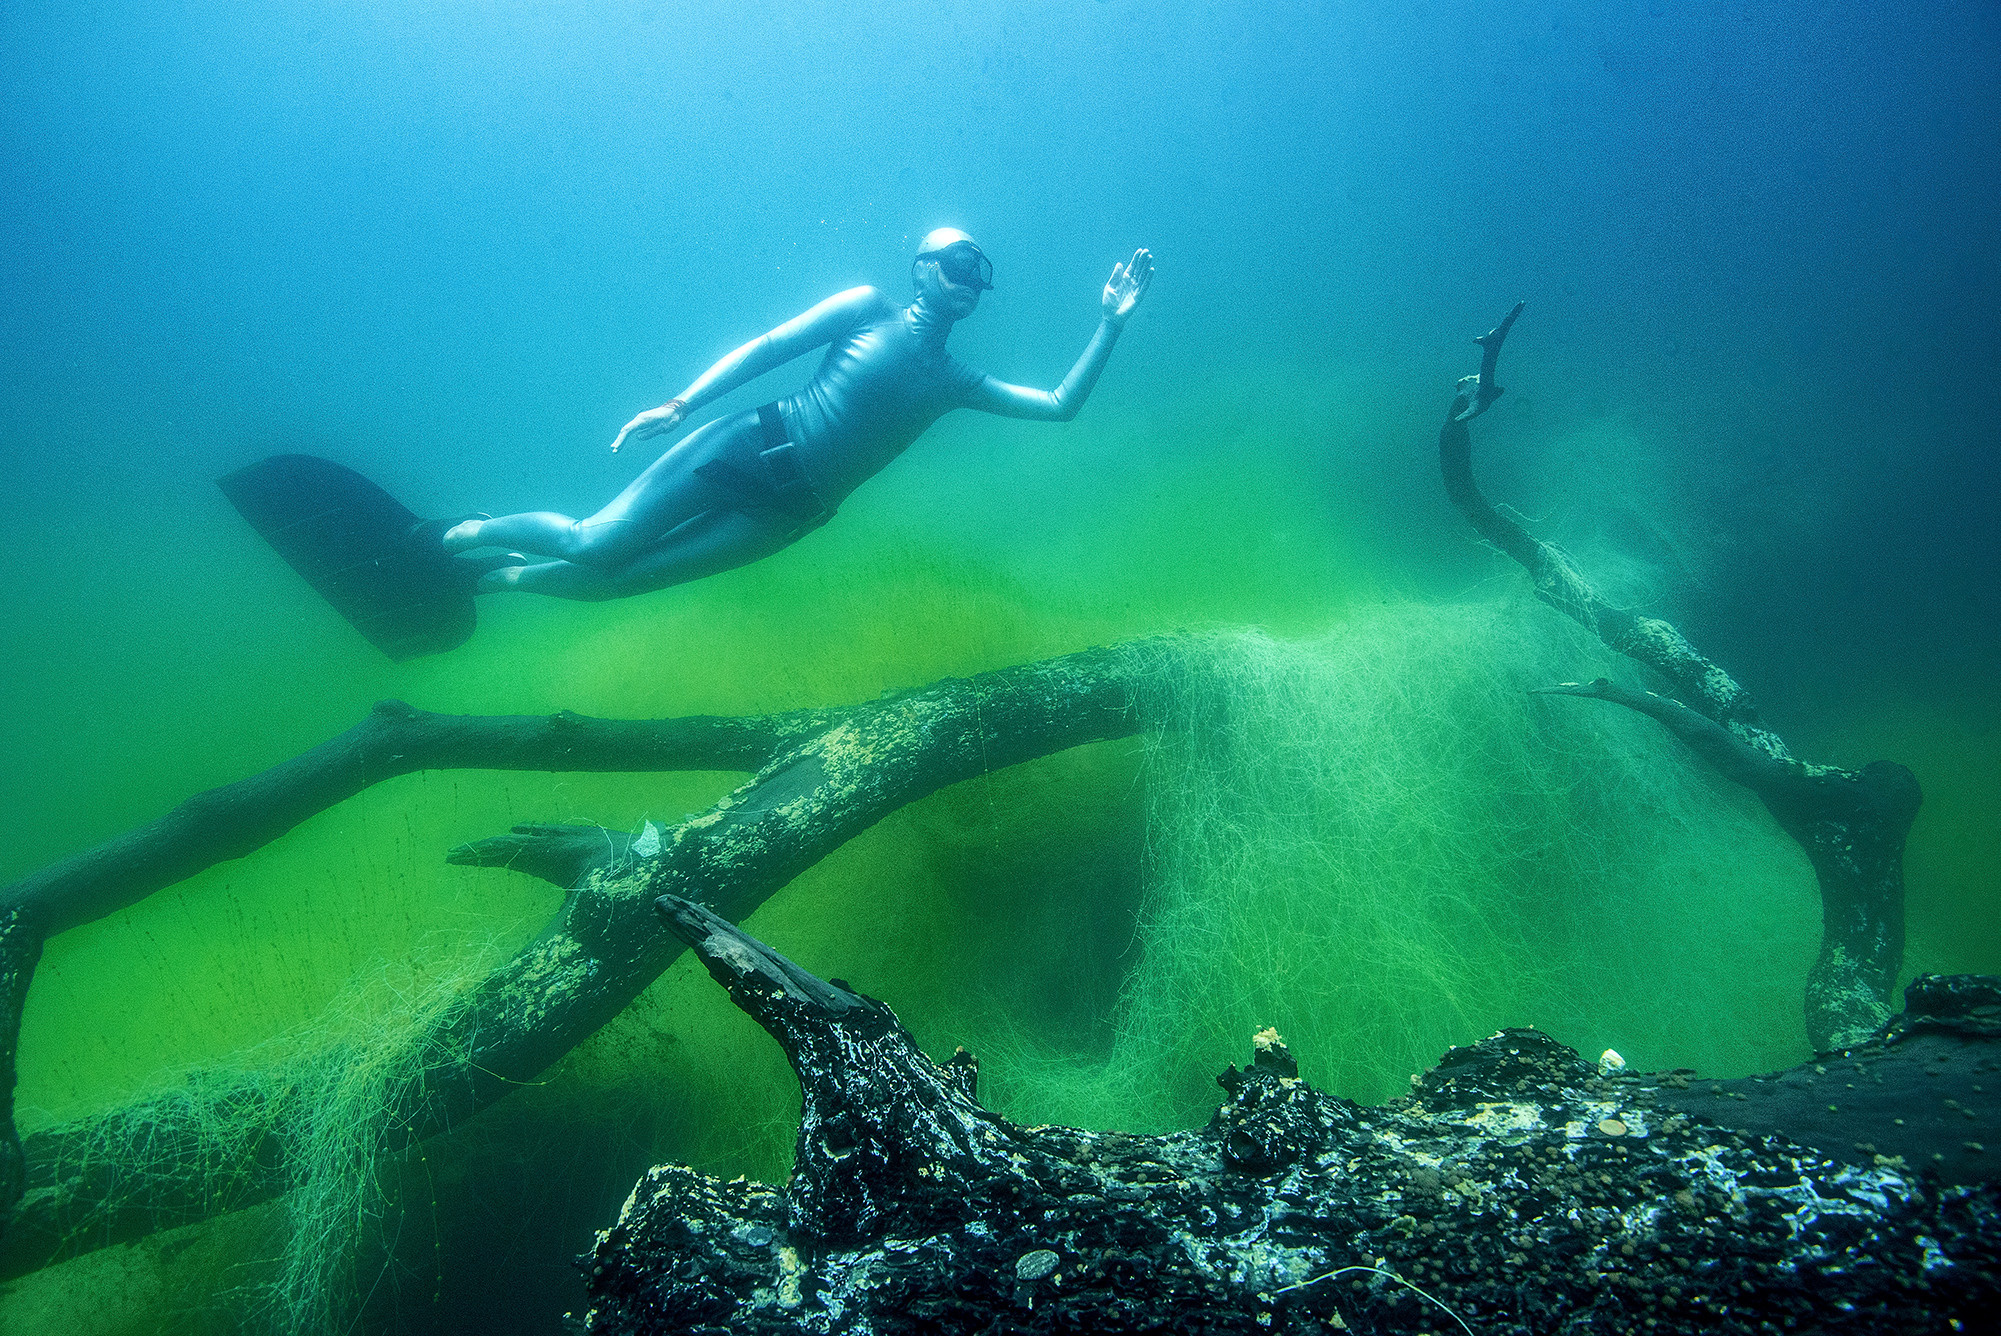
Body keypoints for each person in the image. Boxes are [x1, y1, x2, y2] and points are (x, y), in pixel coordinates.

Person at [436, 229, 1154, 600]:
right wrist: (682, 403)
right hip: (747, 447)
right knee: (595, 544)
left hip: (789, 516)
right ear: (921, 266)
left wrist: (1110, 325)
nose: (972, 279)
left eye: (982, 274)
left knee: (621, 582)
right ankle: (465, 534)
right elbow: (769, 348)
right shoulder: (867, 306)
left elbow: (1059, 406)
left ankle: (496, 580)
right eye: (960, 263)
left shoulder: (955, 381)